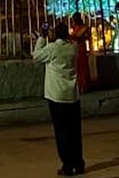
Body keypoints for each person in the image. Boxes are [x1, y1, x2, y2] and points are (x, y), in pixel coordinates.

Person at [33, 21, 84, 176]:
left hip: (57, 96)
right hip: (72, 96)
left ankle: (67, 165)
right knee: (75, 132)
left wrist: (41, 37)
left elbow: (36, 56)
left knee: (62, 133)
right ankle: (78, 163)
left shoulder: (53, 48)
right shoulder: (73, 48)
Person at [69, 12, 93, 94]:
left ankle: (83, 86)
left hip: (81, 48)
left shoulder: (83, 28)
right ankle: (79, 86)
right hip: (76, 48)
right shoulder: (75, 27)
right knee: (78, 67)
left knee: (82, 67)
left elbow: (79, 36)